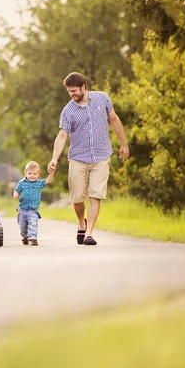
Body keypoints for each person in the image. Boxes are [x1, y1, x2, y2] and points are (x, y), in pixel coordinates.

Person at [47, 72, 129, 246]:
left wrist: (124, 144)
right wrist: (54, 159)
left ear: (83, 86)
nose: (72, 94)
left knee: (95, 195)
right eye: (69, 91)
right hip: (78, 158)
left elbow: (114, 119)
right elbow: (62, 135)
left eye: (74, 90)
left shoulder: (102, 98)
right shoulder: (68, 110)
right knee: (77, 198)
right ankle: (81, 223)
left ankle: (89, 233)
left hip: (101, 156)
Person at [13, 161, 54, 246]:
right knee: (22, 225)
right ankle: (25, 236)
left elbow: (48, 181)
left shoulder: (39, 183)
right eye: (30, 173)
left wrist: (51, 174)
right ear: (25, 173)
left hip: (33, 209)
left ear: (38, 174)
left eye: (35, 174)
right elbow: (16, 190)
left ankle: (33, 238)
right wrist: (16, 194)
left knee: (33, 223)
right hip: (22, 208)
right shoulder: (22, 182)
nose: (32, 175)